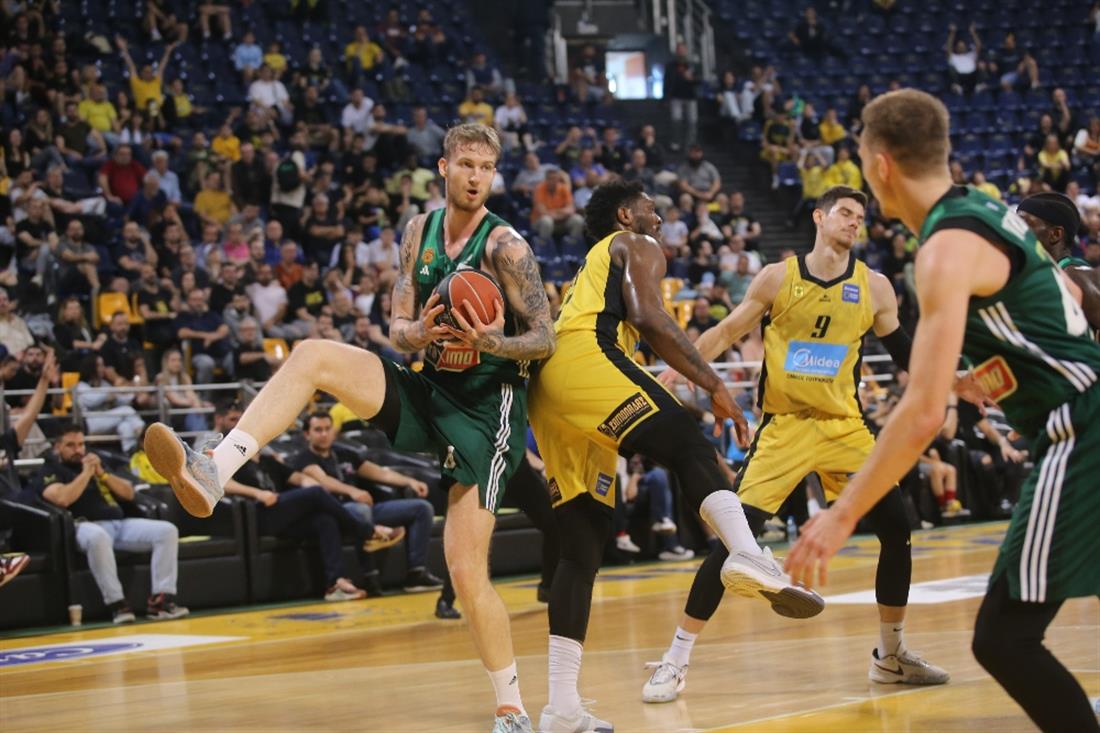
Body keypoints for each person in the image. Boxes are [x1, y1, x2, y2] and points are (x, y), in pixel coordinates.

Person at [142, 123, 555, 733]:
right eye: (466, 164)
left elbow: (544, 337)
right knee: (311, 354)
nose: (476, 176)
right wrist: (416, 334)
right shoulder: (419, 232)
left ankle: (512, 707)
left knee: (465, 571)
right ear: (442, 168)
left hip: (485, 412)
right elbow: (397, 323)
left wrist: (493, 341)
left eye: (486, 167)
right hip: (430, 388)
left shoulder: (507, 249)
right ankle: (214, 470)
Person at [784, 88, 1100, 733]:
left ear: (879, 167)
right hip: (1077, 410)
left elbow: (921, 413)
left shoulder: (943, 249)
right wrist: (989, 375)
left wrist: (842, 515)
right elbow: (1044, 311)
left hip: (1082, 428)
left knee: (1004, 639)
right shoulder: (986, 211)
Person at [527, 180, 824, 733]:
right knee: (691, 444)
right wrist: (712, 383)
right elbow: (647, 315)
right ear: (625, 214)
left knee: (581, 549)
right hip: (588, 358)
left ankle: (561, 709)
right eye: (651, 209)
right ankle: (746, 552)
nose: (659, 219)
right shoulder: (633, 243)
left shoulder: (592, 266)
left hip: (547, 393)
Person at [643, 185, 954, 705]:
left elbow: (904, 350)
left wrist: (949, 380)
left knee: (897, 529)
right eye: (846, 214)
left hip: (844, 428)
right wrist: (677, 373)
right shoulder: (777, 277)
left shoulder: (875, 287)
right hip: (784, 427)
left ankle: (891, 656)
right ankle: (674, 661)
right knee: (732, 546)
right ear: (819, 217)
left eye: (861, 217)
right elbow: (723, 331)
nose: (856, 223)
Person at [214, 403, 379, 599]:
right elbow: (222, 483)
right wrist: (257, 493)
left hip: (282, 514)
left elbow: (298, 478)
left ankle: (336, 583)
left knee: (325, 520)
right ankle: (367, 531)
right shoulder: (228, 457)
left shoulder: (268, 459)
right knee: (316, 494)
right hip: (258, 514)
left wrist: (310, 484)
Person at [37, 424, 189, 623]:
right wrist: (86, 474)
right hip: (82, 526)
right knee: (98, 537)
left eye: (81, 444)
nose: (78, 450)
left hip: (118, 523)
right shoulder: (50, 469)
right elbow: (62, 499)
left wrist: (102, 474)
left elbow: (129, 493)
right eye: (71, 445)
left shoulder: (97, 463)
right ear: (57, 447)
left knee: (167, 531)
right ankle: (117, 604)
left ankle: (161, 601)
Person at [288, 411, 442, 592]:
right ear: (307, 434)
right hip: (336, 512)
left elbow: (380, 472)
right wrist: (353, 491)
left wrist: (410, 481)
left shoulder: (345, 453)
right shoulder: (303, 458)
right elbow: (323, 481)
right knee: (361, 510)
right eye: (318, 430)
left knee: (421, 508)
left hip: (366, 508)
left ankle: (417, 574)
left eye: (327, 429)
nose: (323, 434)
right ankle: (370, 575)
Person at [1016, 192, 1100, 331]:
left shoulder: (1075, 278)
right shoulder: (1034, 274)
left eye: (1025, 223)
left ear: (1055, 234)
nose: (1015, 230)